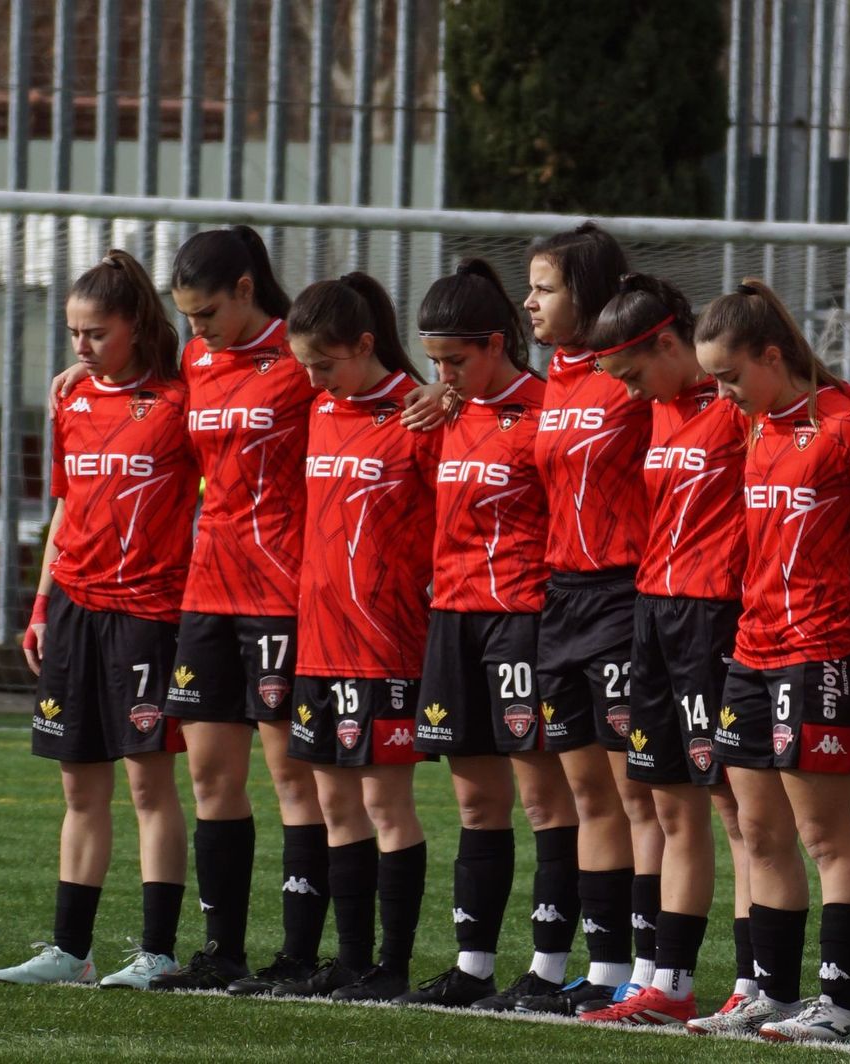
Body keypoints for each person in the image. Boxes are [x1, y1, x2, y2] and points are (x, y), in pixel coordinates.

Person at [0, 250, 194, 989]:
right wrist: (42, 606)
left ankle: (159, 952)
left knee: (148, 786)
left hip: (147, 615)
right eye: (74, 333)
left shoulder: (180, 402)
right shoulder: (70, 401)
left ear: (136, 327)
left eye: (95, 333)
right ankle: (70, 952)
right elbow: (67, 506)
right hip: (74, 607)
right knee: (80, 788)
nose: (80, 347)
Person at [131, 227, 328, 994]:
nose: (197, 328)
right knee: (212, 778)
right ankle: (222, 952)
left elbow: (377, 393)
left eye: (207, 311)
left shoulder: (303, 358)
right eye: (186, 316)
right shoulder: (194, 358)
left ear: (247, 289)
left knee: (294, 782)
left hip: (280, 595)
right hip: (206, 592)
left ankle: (304, 957)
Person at [693, 278, 850, 1044]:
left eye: (732, 376)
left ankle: (838, 1005)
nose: (724, 393)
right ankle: (770, 993)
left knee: (825, 836)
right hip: (750, 650)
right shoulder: (757, 425)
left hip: (821, 652)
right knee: (758, 832)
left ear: (773, 356)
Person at [479, 223, 659, 1016]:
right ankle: (604, 965)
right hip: (562, 598)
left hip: (623, 597)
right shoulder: (556, 377)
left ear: (585, 293)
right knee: (588, 796)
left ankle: (653, 971)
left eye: (545, 287)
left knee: (636, 797)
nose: (530, 302)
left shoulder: (635, 379)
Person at [573, 274, 751, 1027]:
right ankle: (667, 981)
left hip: (715, 617)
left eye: (636, 375)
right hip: (653, 612)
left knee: (737, 811)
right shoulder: (662, 412)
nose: (633, 394)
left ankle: (755, 982)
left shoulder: (739, 405)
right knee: (666, 804)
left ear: (672, 344)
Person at [393, 259, 557, 1008]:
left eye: (456, 359)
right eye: (434, 360)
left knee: (545, 802)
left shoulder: (549, 413)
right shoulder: (443, 414)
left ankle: (551, 971)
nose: (444, 373)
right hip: (452, 620)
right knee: (474, 805)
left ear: (498, 343)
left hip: (523, 620)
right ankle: (473, 967)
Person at [274, 272, 440, 1003]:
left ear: (365, 344)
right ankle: (348, 960)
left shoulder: (422, 414)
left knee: (385, 806)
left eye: (323, 363)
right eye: (305, 365)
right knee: (336, 807)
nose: (312, 378)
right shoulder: (320, 411)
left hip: (387, 641)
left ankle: (394, 964)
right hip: (318, 640)